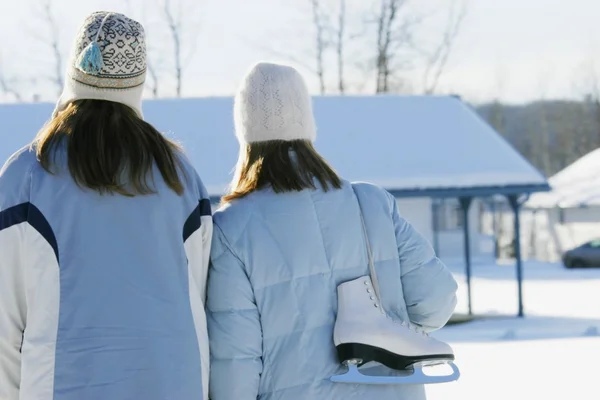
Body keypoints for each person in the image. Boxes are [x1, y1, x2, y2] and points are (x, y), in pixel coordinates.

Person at [206, 61, 459, 400]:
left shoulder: (231, 228)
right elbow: (436, 302)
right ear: (307, 126)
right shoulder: (371, 204)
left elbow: (236, 360)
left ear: (246, 136)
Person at [0, 12, 212, 400]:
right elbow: (195, 296)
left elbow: (4, 324)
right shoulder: (178, 175)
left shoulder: (27, 176)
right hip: (173, 383)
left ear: (74, 74)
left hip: (65, 385)